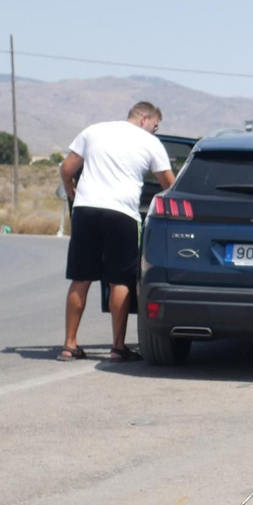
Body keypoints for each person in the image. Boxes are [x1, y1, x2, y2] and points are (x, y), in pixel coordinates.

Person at [58, 101, 174, 362]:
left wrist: (70, 189)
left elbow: (66, 169)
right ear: (145, 118)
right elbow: (169, 185)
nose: (154, 132)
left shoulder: (94, 130)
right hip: (122, 214)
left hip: (86, 210)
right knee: (119, 281)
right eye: (155, 126)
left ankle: (69, 345)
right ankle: (118, 347)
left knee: (80, 277)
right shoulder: (150, 143)